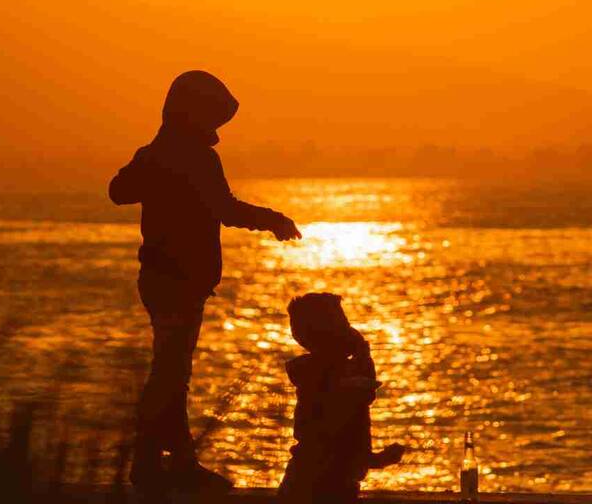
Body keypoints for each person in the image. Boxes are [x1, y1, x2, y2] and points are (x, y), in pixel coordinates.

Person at [109, 70, 301, 492]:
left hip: (166, 280)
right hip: (175, 281)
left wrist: (155, 165)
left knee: (172, 373)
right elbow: (223, 209)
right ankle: (157, 464)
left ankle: (169, 462)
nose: (215, 126)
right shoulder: (185, 156)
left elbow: (121, 191)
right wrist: (272, 220)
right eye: (211, 116)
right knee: (169, 374)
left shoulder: (160, 153)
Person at [278, 293, 405, 504]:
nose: (349, 329)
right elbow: (338, 445)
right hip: (323, 486)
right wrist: (362, 350)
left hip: (311, 480)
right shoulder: (330, 379)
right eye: (343, 324)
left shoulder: (316, 373)